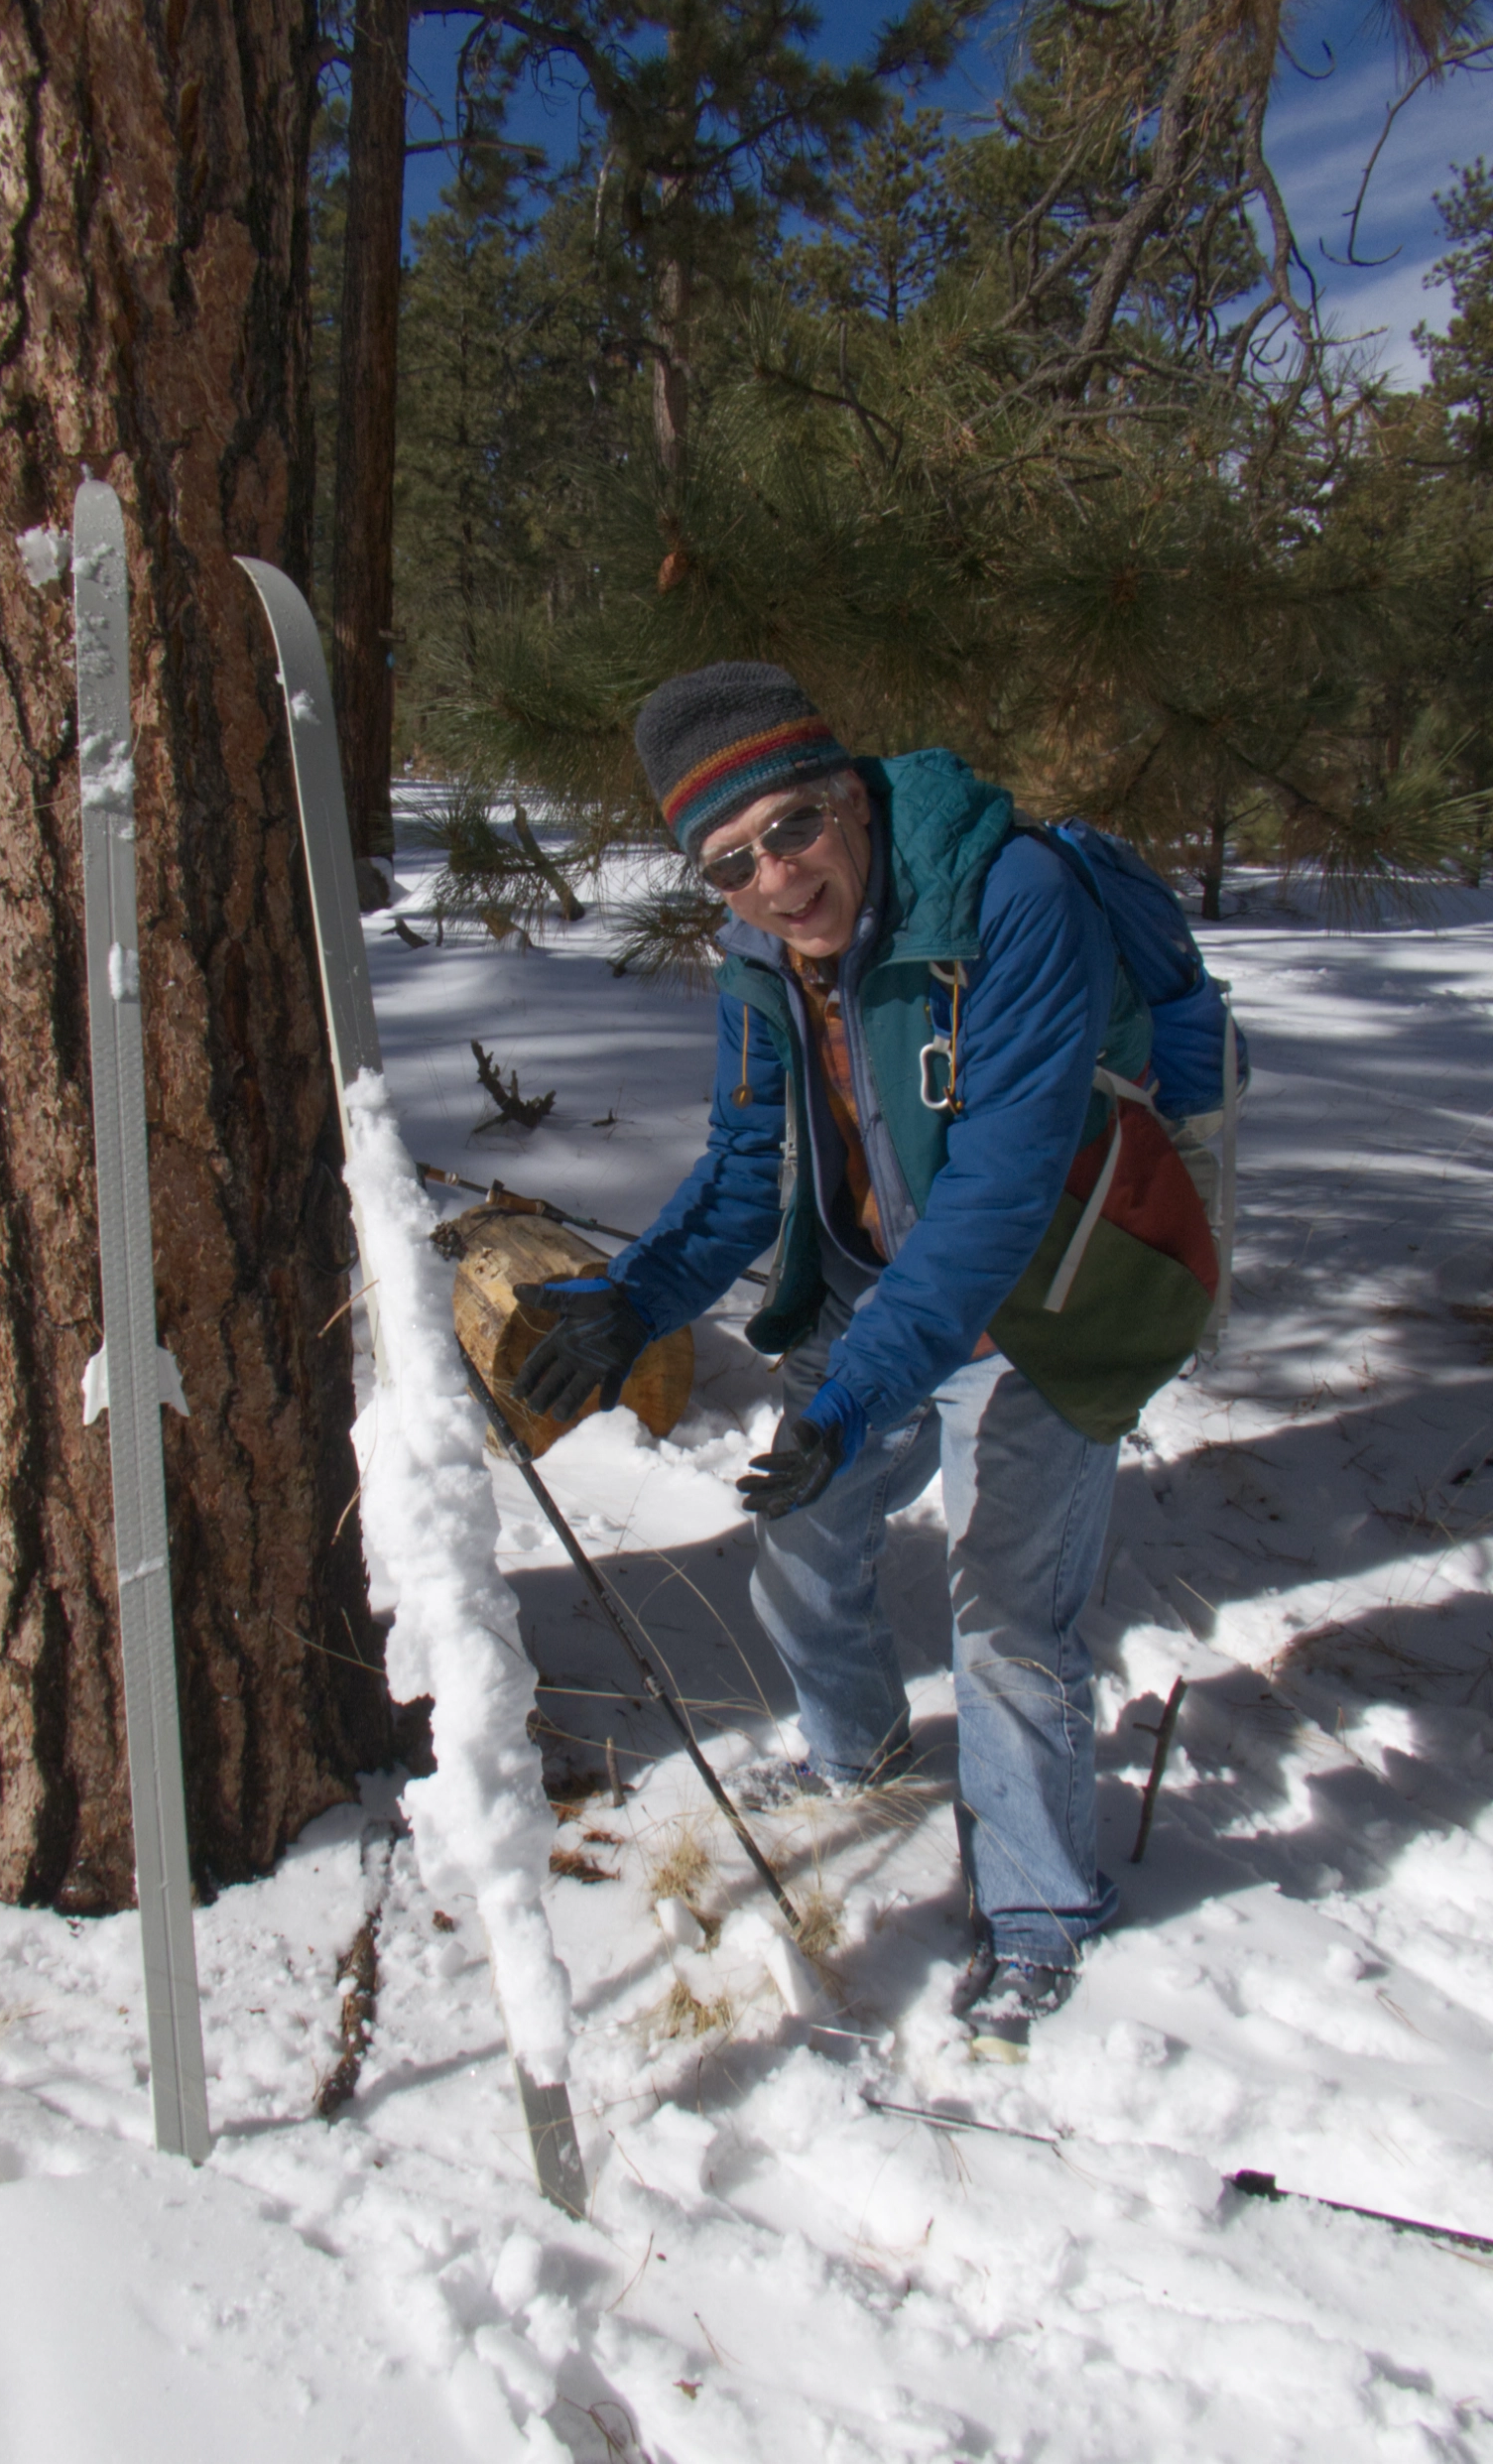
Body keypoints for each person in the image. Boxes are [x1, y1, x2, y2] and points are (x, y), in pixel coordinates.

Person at [512, 663, 1221, 2044]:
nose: (774, 879)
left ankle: (1035, 1908)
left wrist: (851, 1394)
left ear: (848, 794)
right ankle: (859, 1756)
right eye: (729, 863)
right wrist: (636, 1299)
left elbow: (1000, 1195)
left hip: (1045, 1286)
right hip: (868, 1283)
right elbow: (738, 1165)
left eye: (790, 828)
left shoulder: (1011, 899)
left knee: (1009, 1613)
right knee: (803, 1549)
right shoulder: (759, 956)